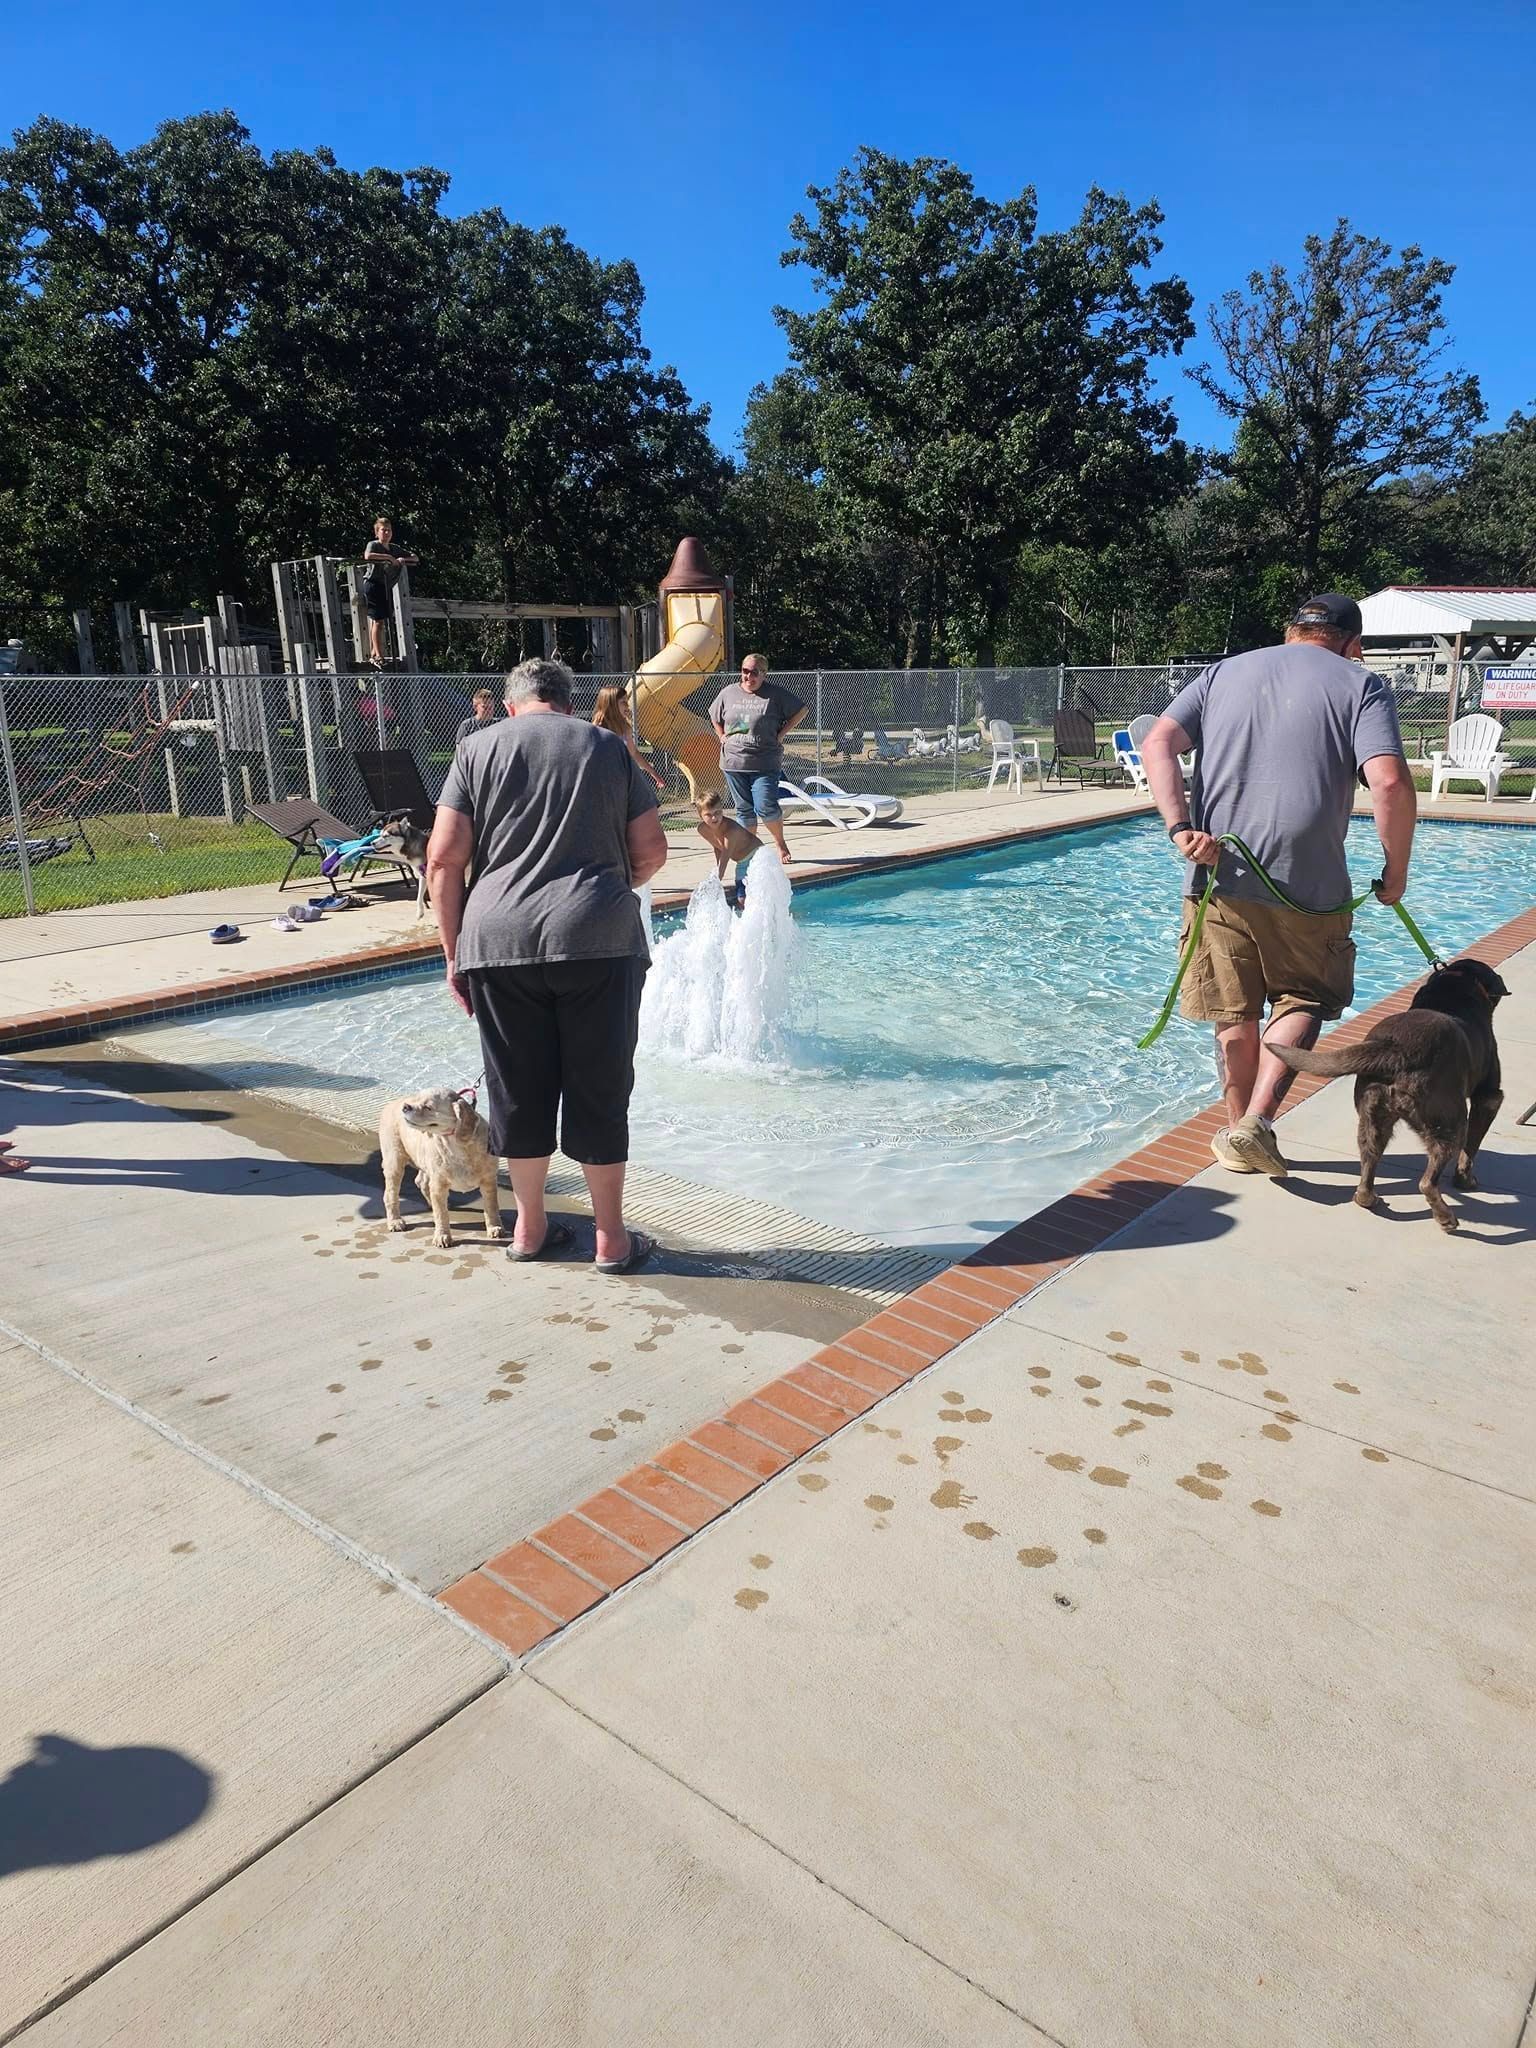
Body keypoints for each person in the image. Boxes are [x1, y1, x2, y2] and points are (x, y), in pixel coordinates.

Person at [1142, 593, 1417, 1179]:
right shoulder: (1360, 682)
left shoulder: (1222, 672)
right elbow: (1389, 783)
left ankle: (1239, 1129)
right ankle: (1254, 1126)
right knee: (1305, 998)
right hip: (1308, 883)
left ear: (1290, 633)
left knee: (1231, 1008)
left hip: (1217, 872)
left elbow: (1156, 742)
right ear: (1353, 644)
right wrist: (1395, 874)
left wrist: (1180, 829)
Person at [426, 658, 668, 1273]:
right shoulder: (608, 747)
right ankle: (611, 1239)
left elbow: (443, 861)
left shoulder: (475, 750)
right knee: (599, 1089)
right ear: (566, 702)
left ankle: (529, 1229)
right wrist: (607, 884)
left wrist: (455, 954)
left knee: (517, 1091)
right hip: (598, 938)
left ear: (511, 706)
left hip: (498, 944)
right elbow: (651, 852)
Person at [708, 654, 806, 864]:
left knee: (765, 805)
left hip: (765, 761)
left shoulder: (774, 695)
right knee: (744, 809)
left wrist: (781, 734)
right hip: (733, 762)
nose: (748, 676)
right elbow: (714, 716)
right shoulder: (728, 692)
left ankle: (780, 843)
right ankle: (749, 850)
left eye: (754, 672)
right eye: (744, 671)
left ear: (764, 674)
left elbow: (801, 710)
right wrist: (721, 736)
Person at [360, 516, 418, 670]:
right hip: (373, 585)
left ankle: (374, 651)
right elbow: (368, 556)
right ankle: (378, 655)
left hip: (385, 586)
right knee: (378, 620)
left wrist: (402, 560)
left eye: (389, 530)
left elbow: (415, 557)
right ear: (377, 532)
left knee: (381, 619)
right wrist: (389, 558)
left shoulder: (394, 548)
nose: (386, 533)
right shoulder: (373, 545)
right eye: (383, 530)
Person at [693, 790, 762, 902]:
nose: (714, 818)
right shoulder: (702, 829)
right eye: (709, 815)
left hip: (757, 857)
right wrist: (717, 871)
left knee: (752, 895)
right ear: (700, 815)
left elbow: (725, 858)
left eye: (717, 812)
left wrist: (716, 882)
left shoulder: (731, 830)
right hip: (742, 862)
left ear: (722, 810)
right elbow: (717, 847)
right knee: (742, 898)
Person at [592, 683, 664, 790]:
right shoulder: (597, 729)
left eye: (627, 701)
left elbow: (633, 752)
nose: (627, 705)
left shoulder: (625, 728)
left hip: (622, 779)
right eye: (623, 702)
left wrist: (653, 773)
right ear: (611, 704)